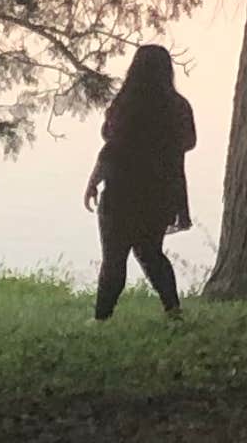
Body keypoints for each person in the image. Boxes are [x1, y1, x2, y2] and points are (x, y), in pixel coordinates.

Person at [83, 42, 196, 322]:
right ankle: (173, 309)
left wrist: (94, 180)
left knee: (114, 258)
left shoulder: (123, 104)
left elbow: (110, 146)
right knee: (151, 253)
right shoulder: (178, 106)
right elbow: (189, 142)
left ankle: (102, 317)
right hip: (159, 191)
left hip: (120, 189)